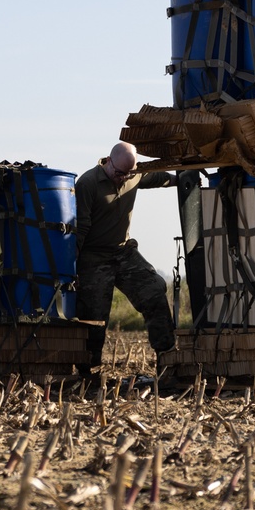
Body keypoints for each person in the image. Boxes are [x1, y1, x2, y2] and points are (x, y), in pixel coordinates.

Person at [75, 142, 176, 378]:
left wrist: (184, 178)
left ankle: (167, 357)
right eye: (119, 173)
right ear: (108, 162)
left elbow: (160, 178)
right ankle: (87, 372)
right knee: (94, 315)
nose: (123, 178)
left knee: (154, 290)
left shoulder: (133, 175)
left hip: (123, 252)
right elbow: (79, 230)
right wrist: (73, 269)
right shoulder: (88, 183)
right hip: (93, 255)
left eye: (128, 174)